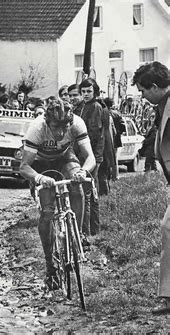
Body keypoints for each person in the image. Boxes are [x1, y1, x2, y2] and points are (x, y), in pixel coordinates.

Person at [19, 97, 96, 289]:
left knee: (77, 187)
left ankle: (75, 236)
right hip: (40, 163)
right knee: (47, 212)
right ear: (47, 122)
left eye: (65, 127)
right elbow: (24, 167)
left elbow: (90, 157)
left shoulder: (77, 123)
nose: (61, 132)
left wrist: (83, 172)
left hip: (64, 158)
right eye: (56, 127)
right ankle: (49, 265)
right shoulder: (37, 128)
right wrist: (38, 178)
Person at [131, 62, 170, 314]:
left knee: (168, 228)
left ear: (154, 87)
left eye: (143, 91)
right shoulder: (163, 105)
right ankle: (168, 295)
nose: (142, 97)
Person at [75, 78, 105, 236]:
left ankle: (87, 231)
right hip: (83, 154)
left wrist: (88, 155)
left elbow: (93, 134)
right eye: (83, 91)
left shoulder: (95, 107)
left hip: (92, 155)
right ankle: (92, 230)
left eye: (89, 91)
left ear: (95, 92)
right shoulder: (81, 106)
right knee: (89, 193)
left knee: (87, 193)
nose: (86, 94)